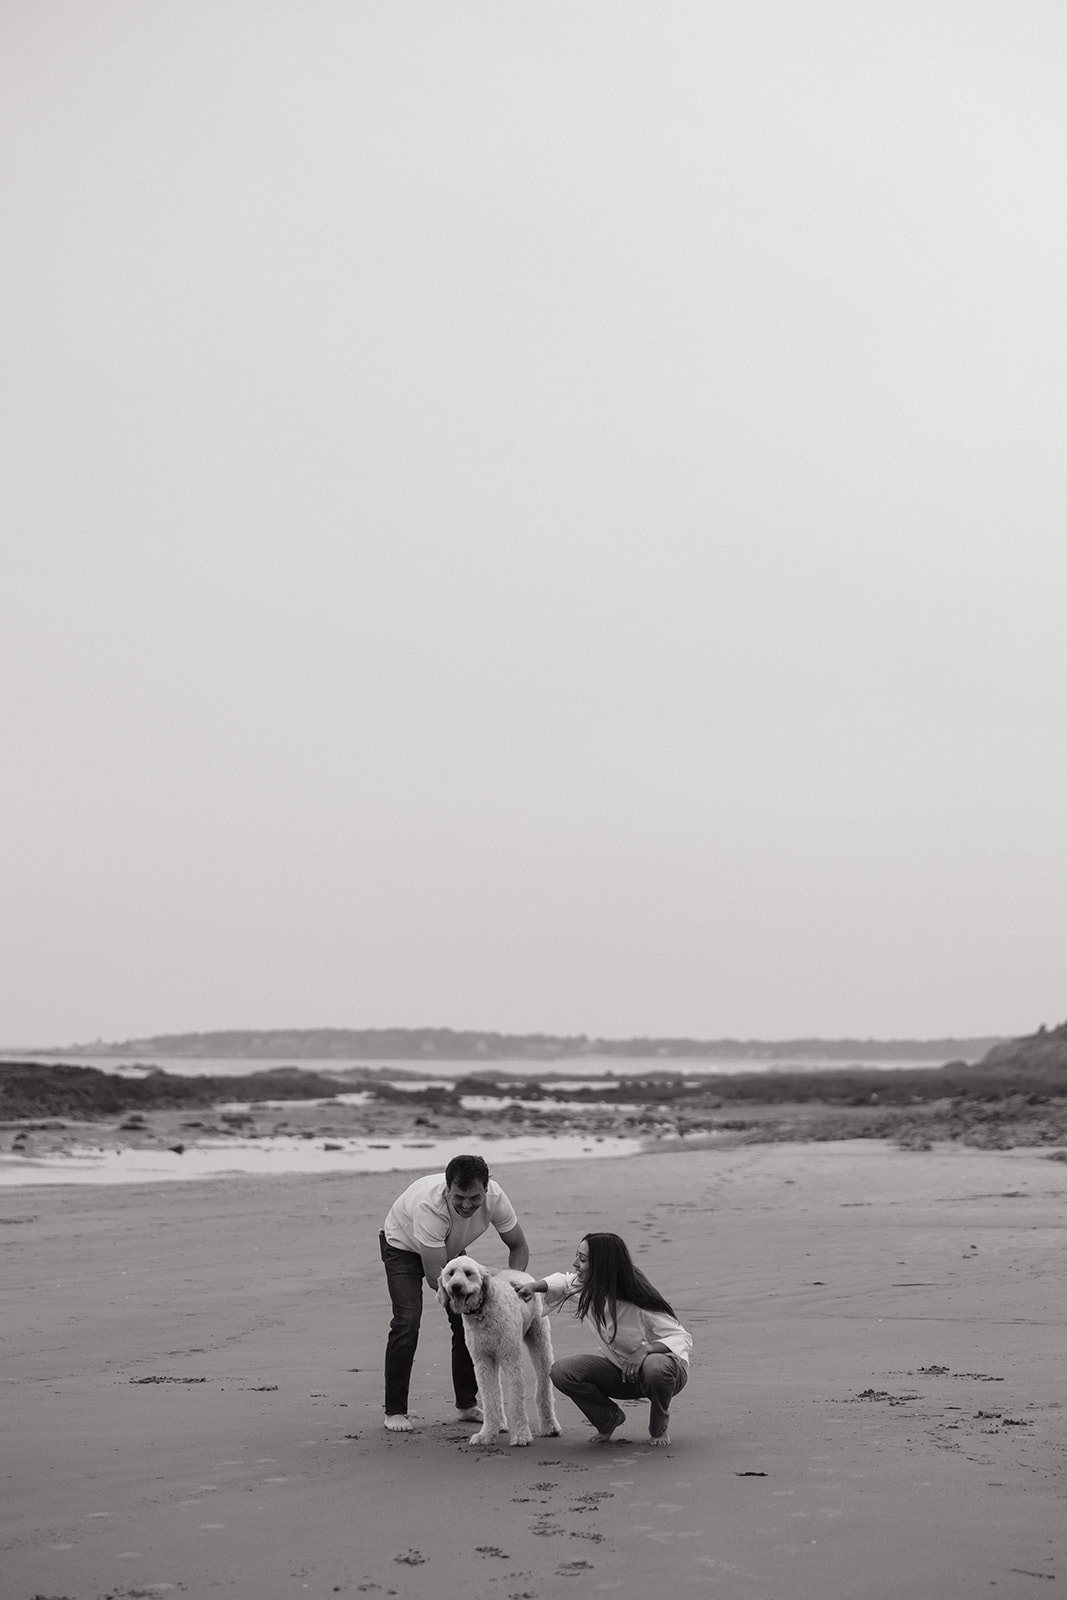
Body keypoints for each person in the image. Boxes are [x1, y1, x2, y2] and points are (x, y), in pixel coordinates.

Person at [379, 1153, 530, 1431]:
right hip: (403, 1246)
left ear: (487, 1188)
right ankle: (395, 1411)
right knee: (407, 1320)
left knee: (468, 1323)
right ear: (447, 1190)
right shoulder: (431, 1207)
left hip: (448, 1247)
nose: (467, 1204)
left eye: (475, 1197)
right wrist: (473, 1302)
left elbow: (518, 1247)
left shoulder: (496, 1198)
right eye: (459, 1196)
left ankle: (467, 1405)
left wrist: (512, 1287)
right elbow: (437, 1278)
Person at [516, 1232, 691, 1446]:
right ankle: (608, 1419)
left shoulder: (639, 1300)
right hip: (622, 1372)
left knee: (655, 1365)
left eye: (582, 1259)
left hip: (664, 1375)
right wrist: (533, 1287)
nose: (575, 1264)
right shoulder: (589, 1288)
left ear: (602, 1266)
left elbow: (681, 1337)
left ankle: (659, 1427)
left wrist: (644, 1351)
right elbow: (562, 1281)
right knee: (561, 1371)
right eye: (577, 1257)